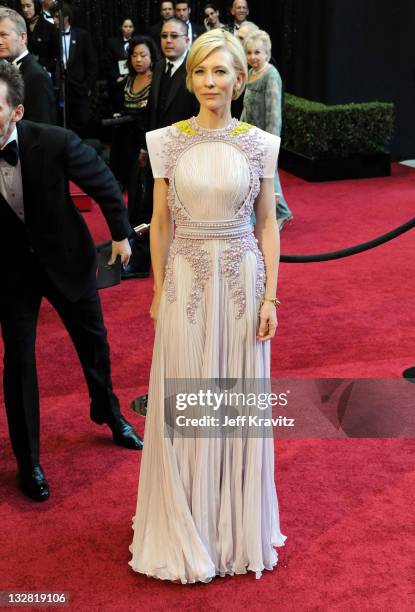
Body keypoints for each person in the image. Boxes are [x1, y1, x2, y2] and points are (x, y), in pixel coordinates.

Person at [129, 29, 286, 584]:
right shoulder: (166, 140)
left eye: (221, 72)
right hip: (186, 283)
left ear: (240, 79)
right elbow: (162, 223)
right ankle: (187, 523)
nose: (210, 82)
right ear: (190, 77)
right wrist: (156, 290)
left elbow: (267, 224)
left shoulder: (261, 143)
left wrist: (270, 296)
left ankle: (232, 530)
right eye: (201, 72)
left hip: (242, 282)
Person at [0, 62, 143, 503]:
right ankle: (30, 462)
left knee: (93, 344)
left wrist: (120, 234)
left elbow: (102, 182)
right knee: (18, 362)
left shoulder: (55, 141)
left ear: (16, 112)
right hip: (9, 271)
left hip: (66, 258)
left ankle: (109, 412)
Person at [110, 35, 158, 278]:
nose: (138, 60)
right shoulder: (126, 80)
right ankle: (128, 248)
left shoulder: (156, 82)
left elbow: (151, 119)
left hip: (144, 149)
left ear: (152, 57)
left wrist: (145, 147)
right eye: (135, 55)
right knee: (127, 203)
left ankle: (141, 259)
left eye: (143, 55)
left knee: (142, 205)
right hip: (123, 147)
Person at [241, 30, 293, 229]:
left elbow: (274, 112)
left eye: (257, 52)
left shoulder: (271, 75)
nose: (253, 57)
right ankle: (257, 216)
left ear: (267, 53)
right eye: (249, 53)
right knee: (257, 176)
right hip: (250, 137)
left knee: (268, 176)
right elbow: (247, 106)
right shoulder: (252, 74)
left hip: (265, 138)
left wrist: (272, 142)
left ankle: (281, 213)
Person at [0, 7, 56, 125]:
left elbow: (42, 130)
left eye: (3, 35)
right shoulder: (5, 69)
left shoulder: (37, 77)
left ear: (23, 37)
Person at [50, 3, 97, 134]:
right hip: (61, 89)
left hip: (79, 88)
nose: (54, 20)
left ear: (66, 17)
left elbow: (91, 63)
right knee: (64, 122)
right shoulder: (54, 35)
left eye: (56, 17)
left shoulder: (82, 35)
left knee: (81, 123)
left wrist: (88, 86)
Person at [19, 0, 58, 76]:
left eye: (28, 6)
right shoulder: (20, 27)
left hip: (45, 73)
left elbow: (56, 54)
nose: (25, 10)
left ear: (36, 6)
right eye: (23, 6)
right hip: (24, 73)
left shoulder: (50, 28)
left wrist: (47, 68)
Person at [105, 17, 135, 111]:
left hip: (133, 82)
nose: (128, 29)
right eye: (126, 26)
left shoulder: (138, 43)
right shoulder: (112, 43)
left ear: (133, 28)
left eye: (130, 26)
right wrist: (117, 77)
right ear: (121, 28)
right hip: (117, 83)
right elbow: (107, 63)